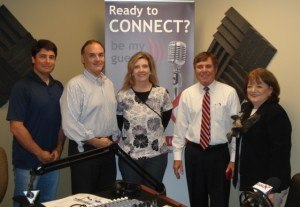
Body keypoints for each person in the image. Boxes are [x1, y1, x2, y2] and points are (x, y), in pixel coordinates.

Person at [172, 52, 240, 207]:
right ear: (195, 69)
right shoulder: (187, 94)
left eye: (208, 66)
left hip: (219, 155)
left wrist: (233, 159)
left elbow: (235, 130)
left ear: (215, 68)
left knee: (220, 200)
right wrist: (177, 157)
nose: (204, 70)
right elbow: (180, 128)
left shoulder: (229, 92)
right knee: (197, 200)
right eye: (199, 67)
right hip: (194, 154)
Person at [7, 39, 65, 206]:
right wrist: (39, 153)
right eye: (42, 56)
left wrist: (58, 149)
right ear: (33, 59)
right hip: (28, 165)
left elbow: (63, 122)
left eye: (51, 57)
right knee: (26, 205)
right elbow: (16, 127)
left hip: (52, 162)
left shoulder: (58, 87)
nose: (47, 61)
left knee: (47, 204)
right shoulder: (21, 87)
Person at [60, 40, 118, 194]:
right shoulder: (75, 86)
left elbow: (110, 117)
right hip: (84, 151)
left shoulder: (109, 84)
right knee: (84, 199)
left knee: (107, 198)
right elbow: (69, 124)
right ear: (83, 59)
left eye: (101, 55)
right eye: (92, 55)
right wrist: (95, 142)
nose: (98, 59)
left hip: (107, 149)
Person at [232, 68, 292, 207]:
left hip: (268, 185)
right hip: (250, 180)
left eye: (259, 86)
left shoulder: (275, 113)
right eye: (250, 86)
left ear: (270, 90)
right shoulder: (247, 110)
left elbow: (280, 153)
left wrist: (269, 188)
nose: (253, 90)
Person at [116, 51, 173, 189]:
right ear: (131, 71)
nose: (141, 70)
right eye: (137, 67)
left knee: (152, 195)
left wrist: (152, 134)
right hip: (130, 156)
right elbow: (120, 123)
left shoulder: (162, 93)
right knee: (133, 195)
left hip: (156, 155)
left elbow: (164, 120)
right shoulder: (122, 95)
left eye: (145, 66)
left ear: (150, 69)